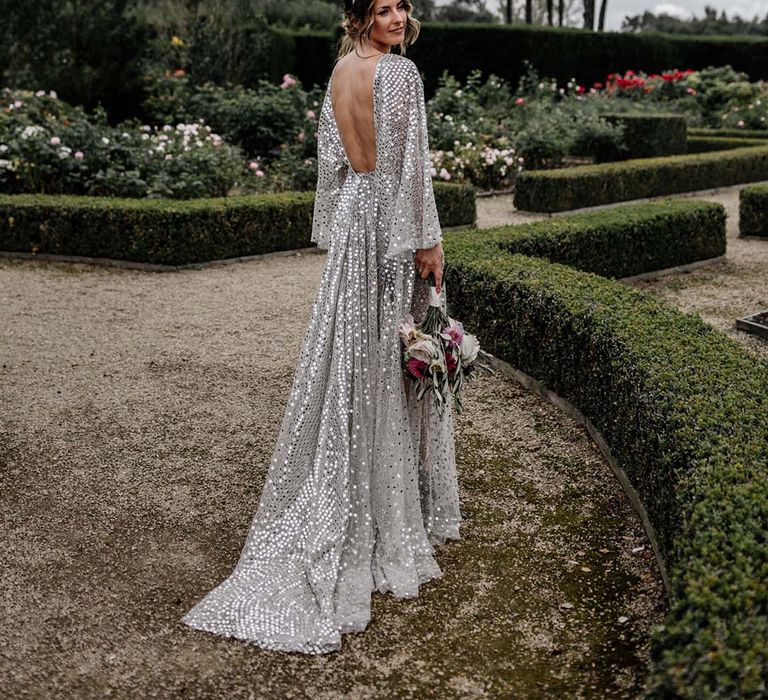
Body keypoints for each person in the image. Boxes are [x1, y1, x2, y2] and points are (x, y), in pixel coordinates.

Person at [181, 0, 462, 654]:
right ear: (364, 15)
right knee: (391, 355)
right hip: (391, 222)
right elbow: (413, 167)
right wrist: (428, 242)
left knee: (354, 355)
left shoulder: (338, 74)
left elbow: (330, 170)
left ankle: (362, 482)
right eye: (386, 8)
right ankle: (384, 510)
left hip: (355, 221)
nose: (399, 17)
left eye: (404, 6)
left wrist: (337, 235)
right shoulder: (402, 73)